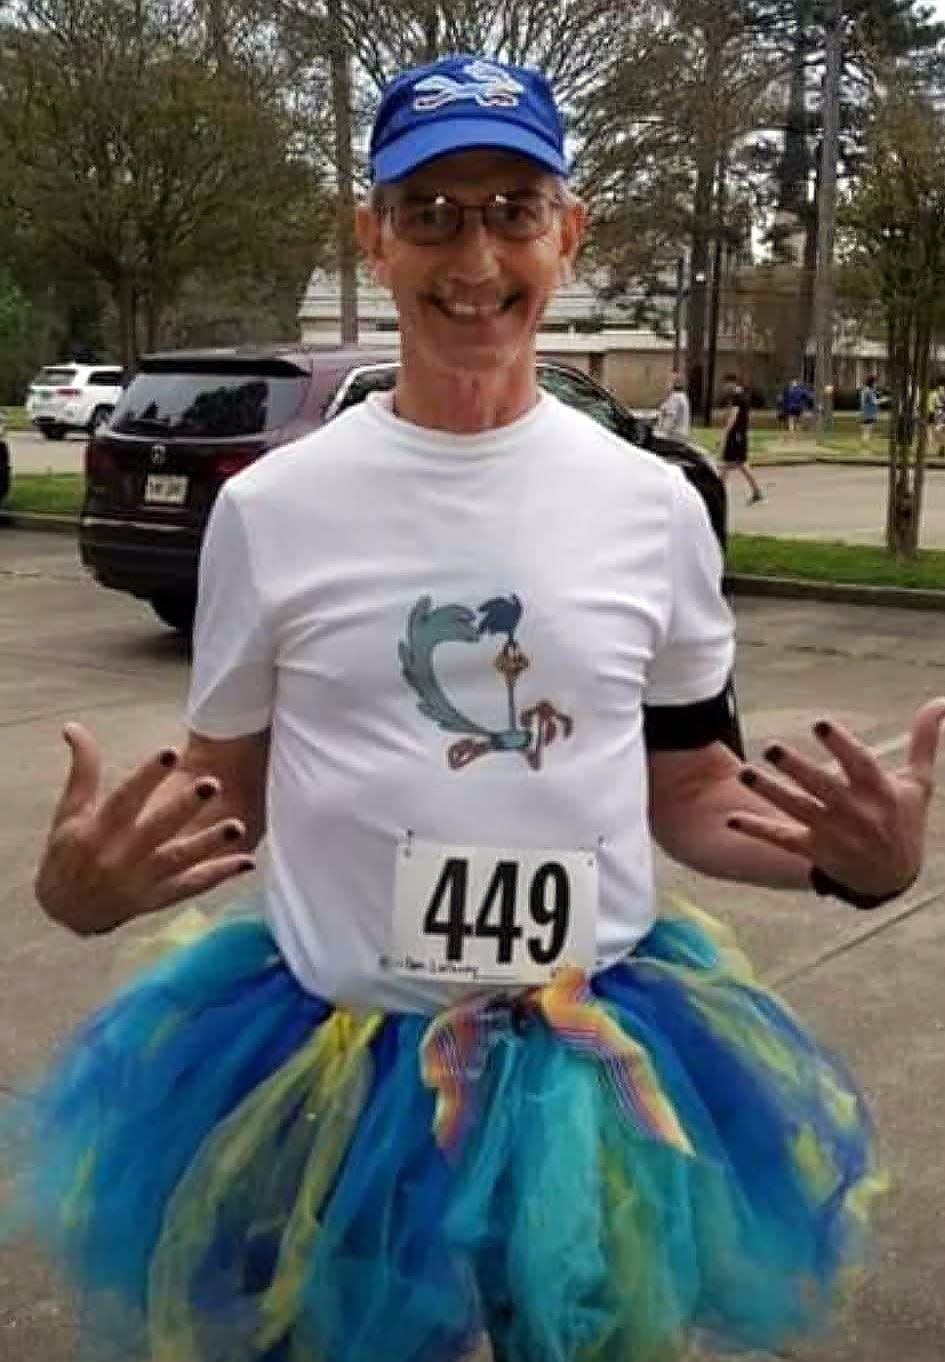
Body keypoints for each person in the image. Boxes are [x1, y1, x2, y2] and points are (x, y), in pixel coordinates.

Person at [3, 53, 945, 1362]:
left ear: (569, 229)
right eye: (431, 211)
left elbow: (690, 787)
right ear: (372, 235)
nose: (473, 253)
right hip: (338, 1073)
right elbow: (228, 790)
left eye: (512, 206)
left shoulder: (653, 505)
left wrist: (852, 858)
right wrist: (95, 885)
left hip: (591, 1063)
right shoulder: (273, 511)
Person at [719, 371, 764, 503]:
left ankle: (756, 491)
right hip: (739, 434)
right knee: (731, 464)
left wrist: (725, 432)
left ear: (732, 383)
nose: (725, 388)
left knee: (736, 463)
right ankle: (756, 491)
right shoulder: (741, 396)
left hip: (736, 435)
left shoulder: (738, 397)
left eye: (726, 385)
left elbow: (734, 416)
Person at [656, 369, 691, 440]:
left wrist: (659, 432)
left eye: (669, 382)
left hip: (673, 436)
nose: (666, 384)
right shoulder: (682, 396)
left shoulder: (675, 397)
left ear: (674, 384)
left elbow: (670, 418)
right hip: (680, 435)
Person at [860, 374, 880, 444]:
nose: (876, 384)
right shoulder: (869, 391)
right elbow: (874, 402)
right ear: (872, 382)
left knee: (866, 430)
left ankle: (865, 442)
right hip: (870, 413)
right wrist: (885, 400)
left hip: (866, 412)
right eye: (875, 382)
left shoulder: (865, 390)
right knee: (868, 430)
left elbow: (863, 402)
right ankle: (865, 443)